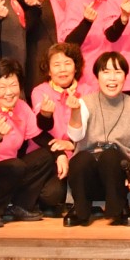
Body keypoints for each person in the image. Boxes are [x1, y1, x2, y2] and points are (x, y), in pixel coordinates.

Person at [0, 57, 58, 228]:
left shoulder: (21, 107)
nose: (9, 92)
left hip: (8, 173)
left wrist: (60, 153)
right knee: (15, 166)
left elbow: (40, 137)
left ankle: (19, 206)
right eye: (2, 87)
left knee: (46, 156)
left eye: (13, 85)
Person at [64, 51, 130, 227]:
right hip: (88, 173)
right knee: (81, 158)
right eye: (106, 72)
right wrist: (75, 111)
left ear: (125, 76)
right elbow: (75, 136)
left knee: (111, 156)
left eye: (117, 72)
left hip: (118, 175)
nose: (112, 78)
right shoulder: (85, 102)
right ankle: (80, 208)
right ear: (97, 76)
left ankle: (120, 207)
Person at [29, 43, 87, 214]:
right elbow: (40, 129)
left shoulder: (88, 91)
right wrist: (46, 114)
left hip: (80, 153)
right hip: (51, 154)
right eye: (56, 64)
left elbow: (96, 129)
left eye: (67, 63)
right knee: (51, 196)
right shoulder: (40, 91)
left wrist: (72, 145)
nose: (62, 69)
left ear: (76, 67)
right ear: (48, 70)